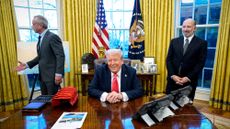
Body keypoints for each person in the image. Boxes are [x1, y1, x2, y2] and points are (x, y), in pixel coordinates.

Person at [16, 15, 65, 95]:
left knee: (53, 102)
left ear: (40, 25)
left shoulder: (52, 37)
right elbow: (41, 56)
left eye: (33, 24)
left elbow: (60, 56)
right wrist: (27, 65)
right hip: (43, 77)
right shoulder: (40, 38)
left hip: (52, 77)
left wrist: (59, 74)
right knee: (45, 102)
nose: (32, 26)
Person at [166, 18, 207, 101]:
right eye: (184, 26)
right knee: (168, 105)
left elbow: (200, 63)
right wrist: (173, 75)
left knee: (186, 107)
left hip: (189, 82)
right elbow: (169, 59)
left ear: (194, 28)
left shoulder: (202, 43)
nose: (185, 29)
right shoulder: (174, 41)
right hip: (173, 81)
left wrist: (187, 77)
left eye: (188, 27)